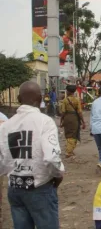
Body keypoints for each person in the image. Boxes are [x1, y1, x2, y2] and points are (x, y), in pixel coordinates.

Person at [0, 81, 64, 229]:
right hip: (40, 187)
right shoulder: (45, 122)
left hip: (15, 188)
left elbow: (2, 162)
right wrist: (57, 174)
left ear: (18, 98)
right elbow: (51, 157)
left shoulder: (6, 126)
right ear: (40, 99)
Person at [60, 85, 86, 159]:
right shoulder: (77, 100)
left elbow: (63, 112)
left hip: (67, 118)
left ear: (68, 91)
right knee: (74, 134)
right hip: (74, 118)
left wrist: (61, 120)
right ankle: (69, 151)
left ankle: (69, 150)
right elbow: (80, 112)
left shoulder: (65, 100)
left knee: (68, 134)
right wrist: (83, 122)